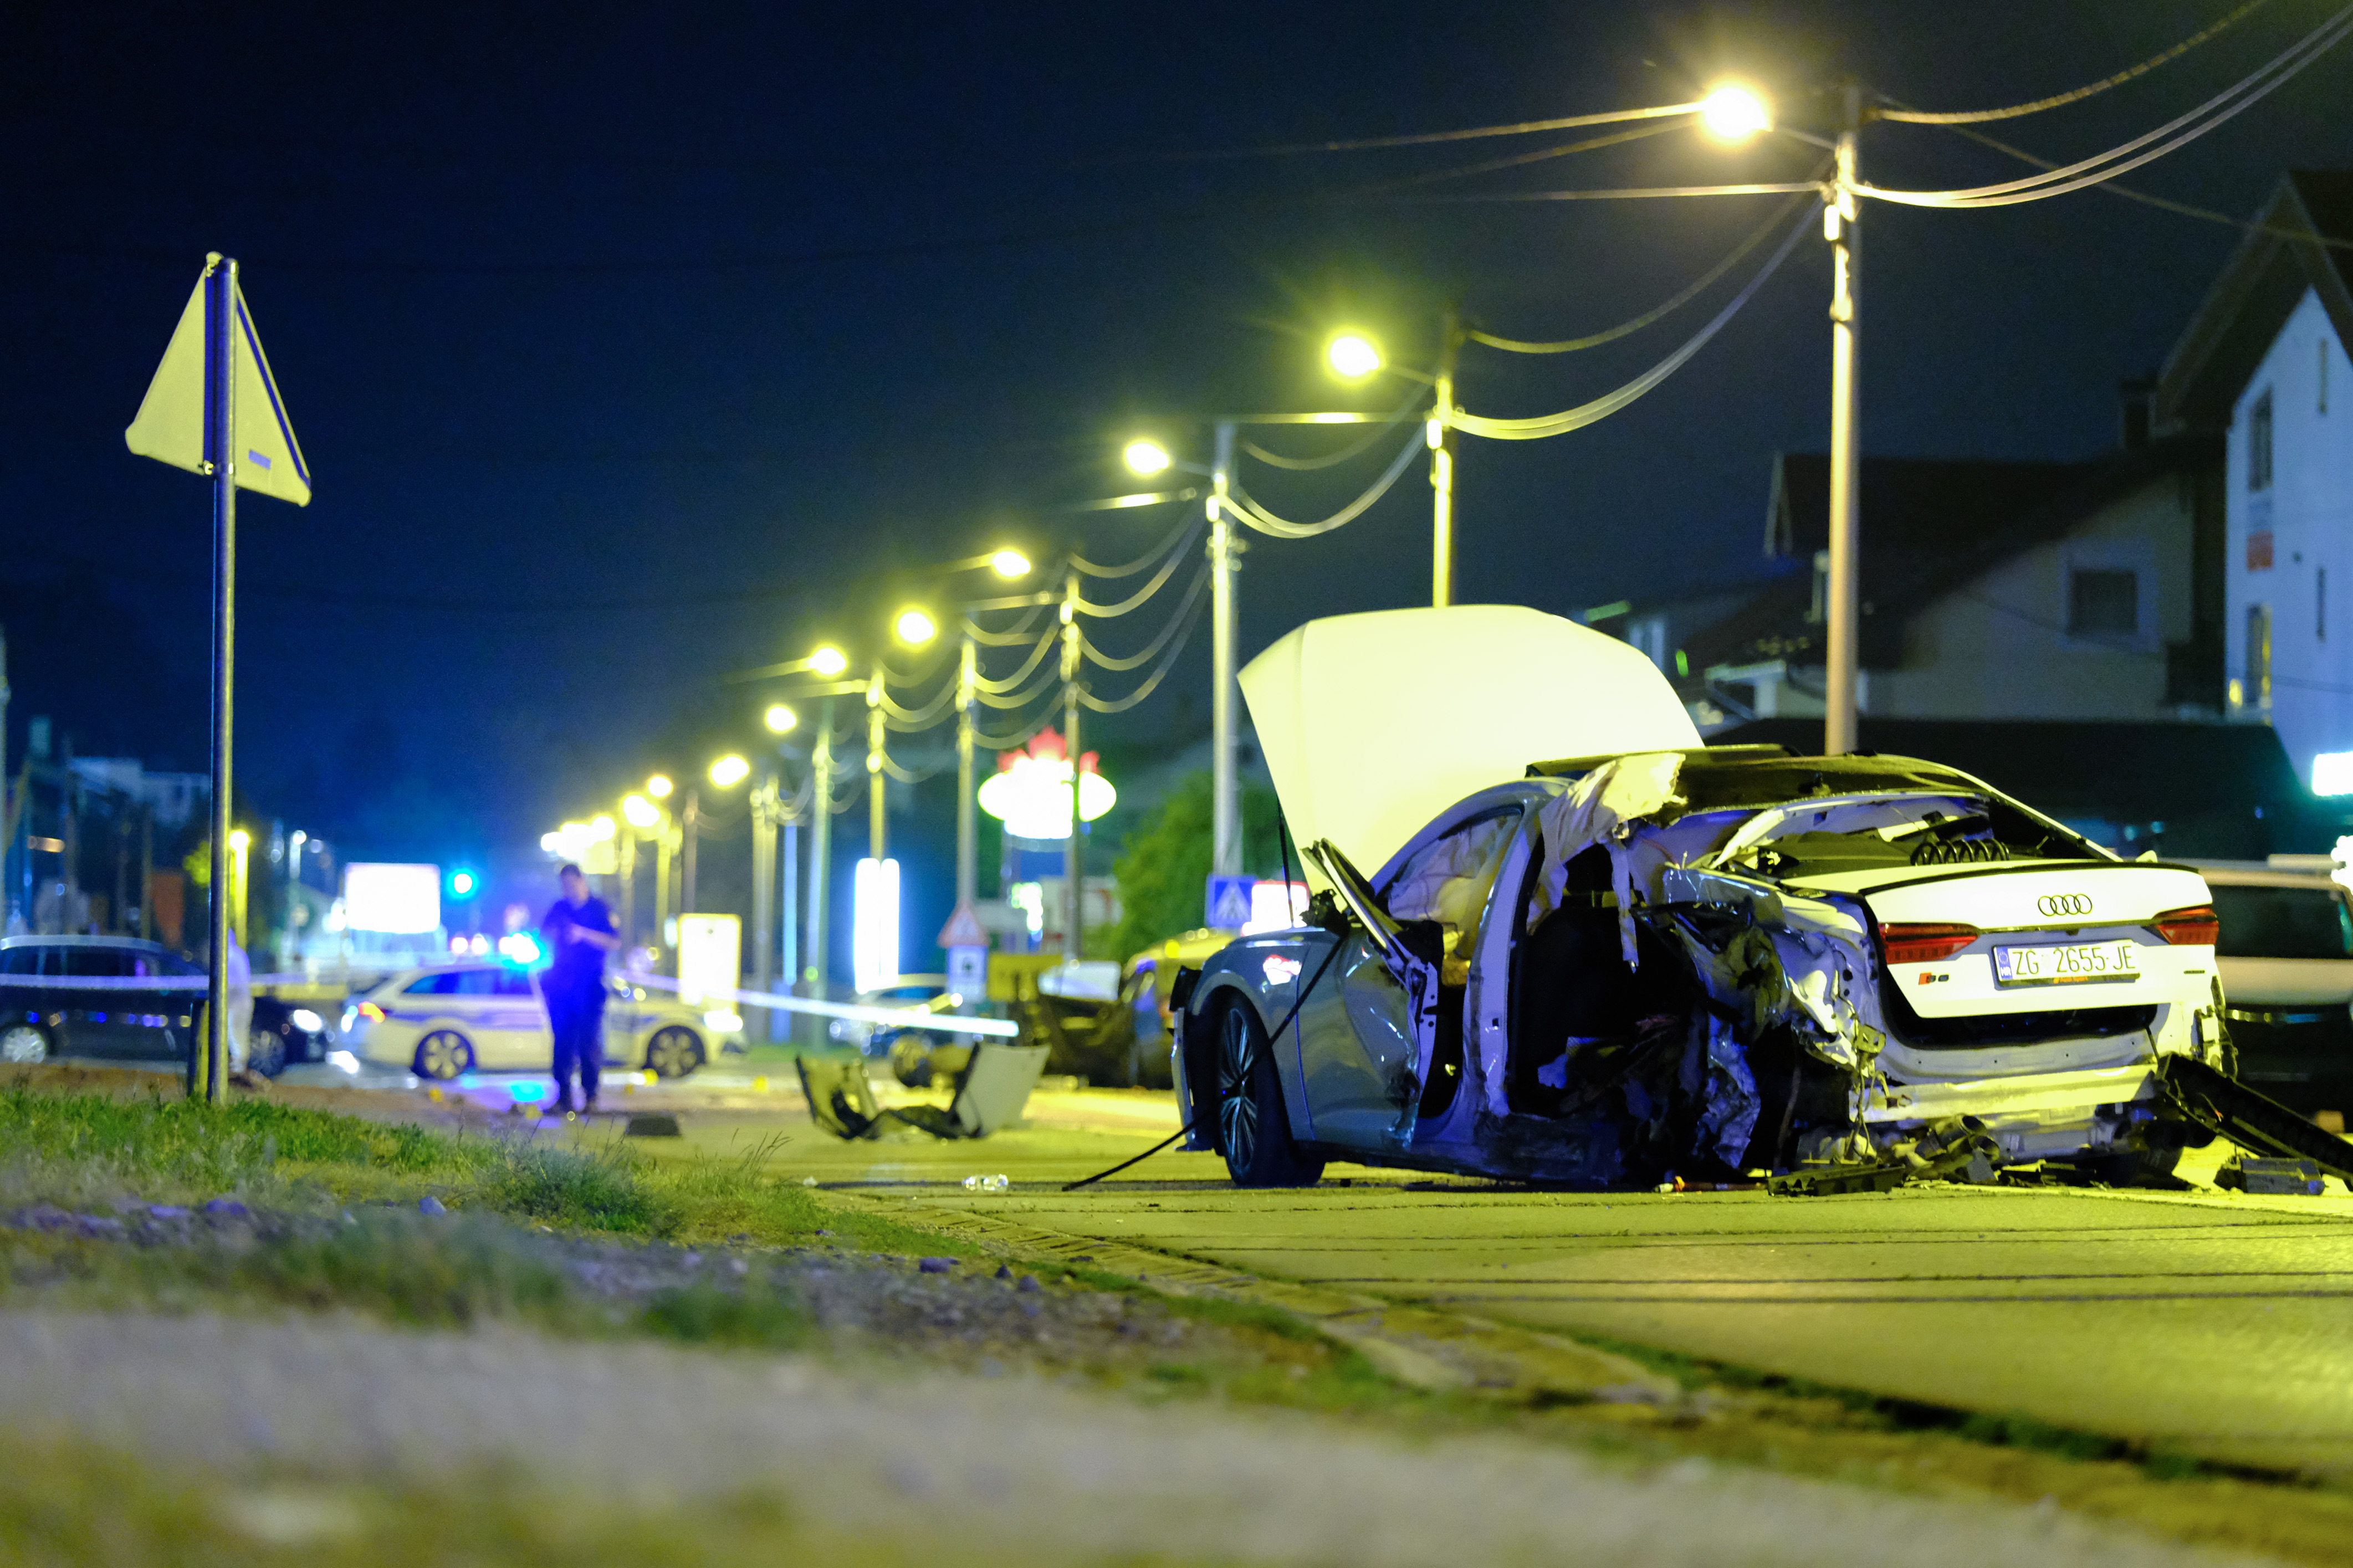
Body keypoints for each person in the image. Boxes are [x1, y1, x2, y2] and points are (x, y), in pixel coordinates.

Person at [540, 863, 620, 1115]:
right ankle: (563, 1098)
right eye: (564, 885)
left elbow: (614, 941)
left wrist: (583, 935)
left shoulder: (599, 908)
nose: (567, 889)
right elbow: (542, 935)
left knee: (589, 1042)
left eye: (571, 884)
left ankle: (591, 1098)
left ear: (581, 880)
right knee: (562, 1043)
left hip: (590, 987)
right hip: (561, 987)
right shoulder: (559, 908)